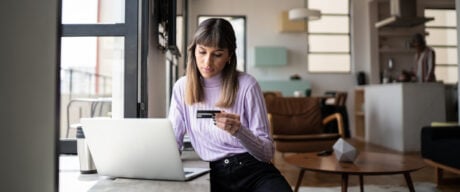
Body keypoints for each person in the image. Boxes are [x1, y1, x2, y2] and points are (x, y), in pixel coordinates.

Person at [168, 18, 293, 192]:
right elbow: (173, 142)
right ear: (193, 51)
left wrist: (239, 131)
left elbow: (267, 153)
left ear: (229, 56)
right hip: (213, 174)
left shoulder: (247, 85)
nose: (207, 62)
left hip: (253, 170)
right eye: (202, 52)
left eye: (217, 54)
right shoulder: (182, 87)